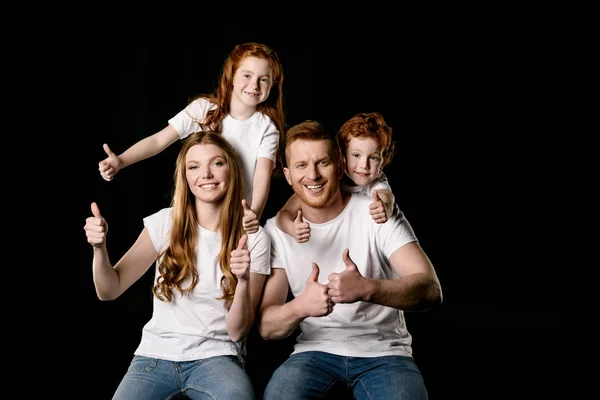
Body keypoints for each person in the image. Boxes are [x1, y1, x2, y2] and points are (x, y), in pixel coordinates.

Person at [258, 120, 442, 400]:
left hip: (384, 352)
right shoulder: (277, 230)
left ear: (340, 166)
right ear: (287, 174)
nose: (313, 175)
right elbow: (268, 327)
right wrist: (301, 307)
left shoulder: (376, 212)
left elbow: (430, 289)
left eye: (323, 163)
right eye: (301, 166)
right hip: (314, 351)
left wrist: (367, 288)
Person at [85, 131, 270, 400]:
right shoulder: (165, 223)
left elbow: (238, 331)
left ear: (231, 170)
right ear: (185, 176)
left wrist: (243, 281)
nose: (205, 174)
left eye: (216, 163)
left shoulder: (254, 238)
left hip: (217, 358)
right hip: (154, 355)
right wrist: (99, 249)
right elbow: (108, 290)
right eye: (194, 167)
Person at [98, 42, 285, 233]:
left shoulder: (266, 128)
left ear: (272, 84)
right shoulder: (204, 110)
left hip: (234, 221)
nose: (254, 85)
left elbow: (262, 179)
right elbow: (158, 141)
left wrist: (253, 218)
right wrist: (121, 160)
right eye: (247, 75)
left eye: (264, 80)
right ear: (232, 77)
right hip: (197, 214)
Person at [275, 112, 396, 243]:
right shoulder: (332, 177)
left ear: (383, 162)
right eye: (356, 155)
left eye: (373, 157)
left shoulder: (376, 181)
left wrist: (385, 207)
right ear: (341, 156)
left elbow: (386, 195)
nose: (364, 165)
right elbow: (283, 214)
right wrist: (292, 229)